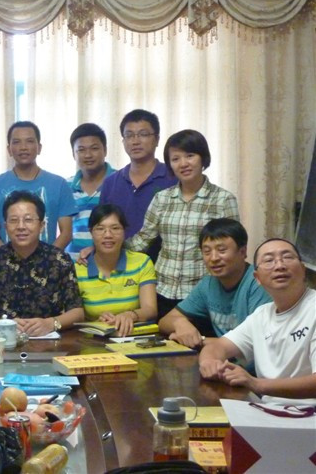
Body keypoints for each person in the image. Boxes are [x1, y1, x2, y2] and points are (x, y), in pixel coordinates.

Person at [125, 129, 240, 319]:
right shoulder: (162, 198)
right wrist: (107, 250)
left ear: (203, 158)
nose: (183, 163)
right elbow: (143, 239)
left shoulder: (223, 199)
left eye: (190, 155)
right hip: (162, 290)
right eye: (175, 159)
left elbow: (231, 249)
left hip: (202, 294)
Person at [199, 238, 316, 404]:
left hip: (308, 414)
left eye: (287, 257)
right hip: (269, 410)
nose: (279, 265)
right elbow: (218, 346)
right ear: (257, 278)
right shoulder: (262, 314)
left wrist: (256, 384)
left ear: (303, 270)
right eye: (269, 260)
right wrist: (209, 362)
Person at [0, 191, 83, 336]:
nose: (21, 226)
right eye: (14, 220)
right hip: (3, 342)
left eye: (28, 220)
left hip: (49, 341)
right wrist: (1, 325)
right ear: (5, 226)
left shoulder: (59, 260)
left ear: (42, 225)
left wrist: (51, 323)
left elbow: (77, 312)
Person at [159, 218, 271, 347]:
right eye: (207, 252)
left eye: (222, 250)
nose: (213, 258)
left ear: (242, 252)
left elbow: (258, 340)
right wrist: (179, 323)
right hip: (221, 356)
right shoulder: (208, 284)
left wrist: (200, 341)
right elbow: (164, 322)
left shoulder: (258, 282)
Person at [0, 120, 77, 250]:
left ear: (39, 147)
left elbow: (66, 233)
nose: (23, 147)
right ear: (9, 150)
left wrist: (47, 258)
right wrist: (8, 259)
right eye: (16, 142)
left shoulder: (59, 184)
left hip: (47, 261)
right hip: (6, 261)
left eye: (29, 141)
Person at [99, 109, 176, 262]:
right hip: (120, 265)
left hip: (165, 266)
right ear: (123, 141)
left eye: (143, 134)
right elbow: (101, 226)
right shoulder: (111, 183)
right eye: (129, 135)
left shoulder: (173, 178)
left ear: (157, 139)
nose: (135, 141)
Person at [74, 204, 157, 336]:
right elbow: (75, 317)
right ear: (91, 232)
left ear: (124, 231)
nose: (108, 235)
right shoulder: (78, 270)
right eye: (100, 229)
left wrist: (129, 315)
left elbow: (150, 309)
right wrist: (98, 322)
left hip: (133, 338)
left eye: (115, 228)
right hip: (93, 340)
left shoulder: (142, 262)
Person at [66, 123, 115, 260]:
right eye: (81, 150)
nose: (88, 155)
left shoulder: (120, 182)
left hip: (109, 263)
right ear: (73, 154)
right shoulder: (65, 186)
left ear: (105, 150)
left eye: (94, 148)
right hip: (72, 263)